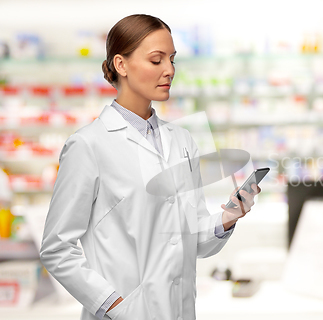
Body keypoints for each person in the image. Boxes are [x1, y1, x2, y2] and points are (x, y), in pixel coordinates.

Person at [39, 14, 260, 320]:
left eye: (172, 60)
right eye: (156, 60)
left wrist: (227, 218)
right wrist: (113, 305)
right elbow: (56, 247)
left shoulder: (182, 139)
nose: (169, 70)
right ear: (121, 65)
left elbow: (189, 238)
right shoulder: (88, 145)